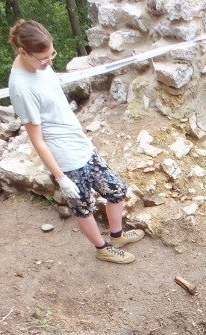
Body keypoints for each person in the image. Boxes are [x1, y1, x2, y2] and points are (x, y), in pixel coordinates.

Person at [7, 20, 143, 264]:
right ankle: (102, 248)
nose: (49, 62)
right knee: (83, 207)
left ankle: (117, 236)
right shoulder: (21, 88)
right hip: (65, 158)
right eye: (44, 58)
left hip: (81, 145)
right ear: (23, 53)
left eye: (52, 54)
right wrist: (61, 178)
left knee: (117, 190)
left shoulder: (41, 67)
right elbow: (37, 140)